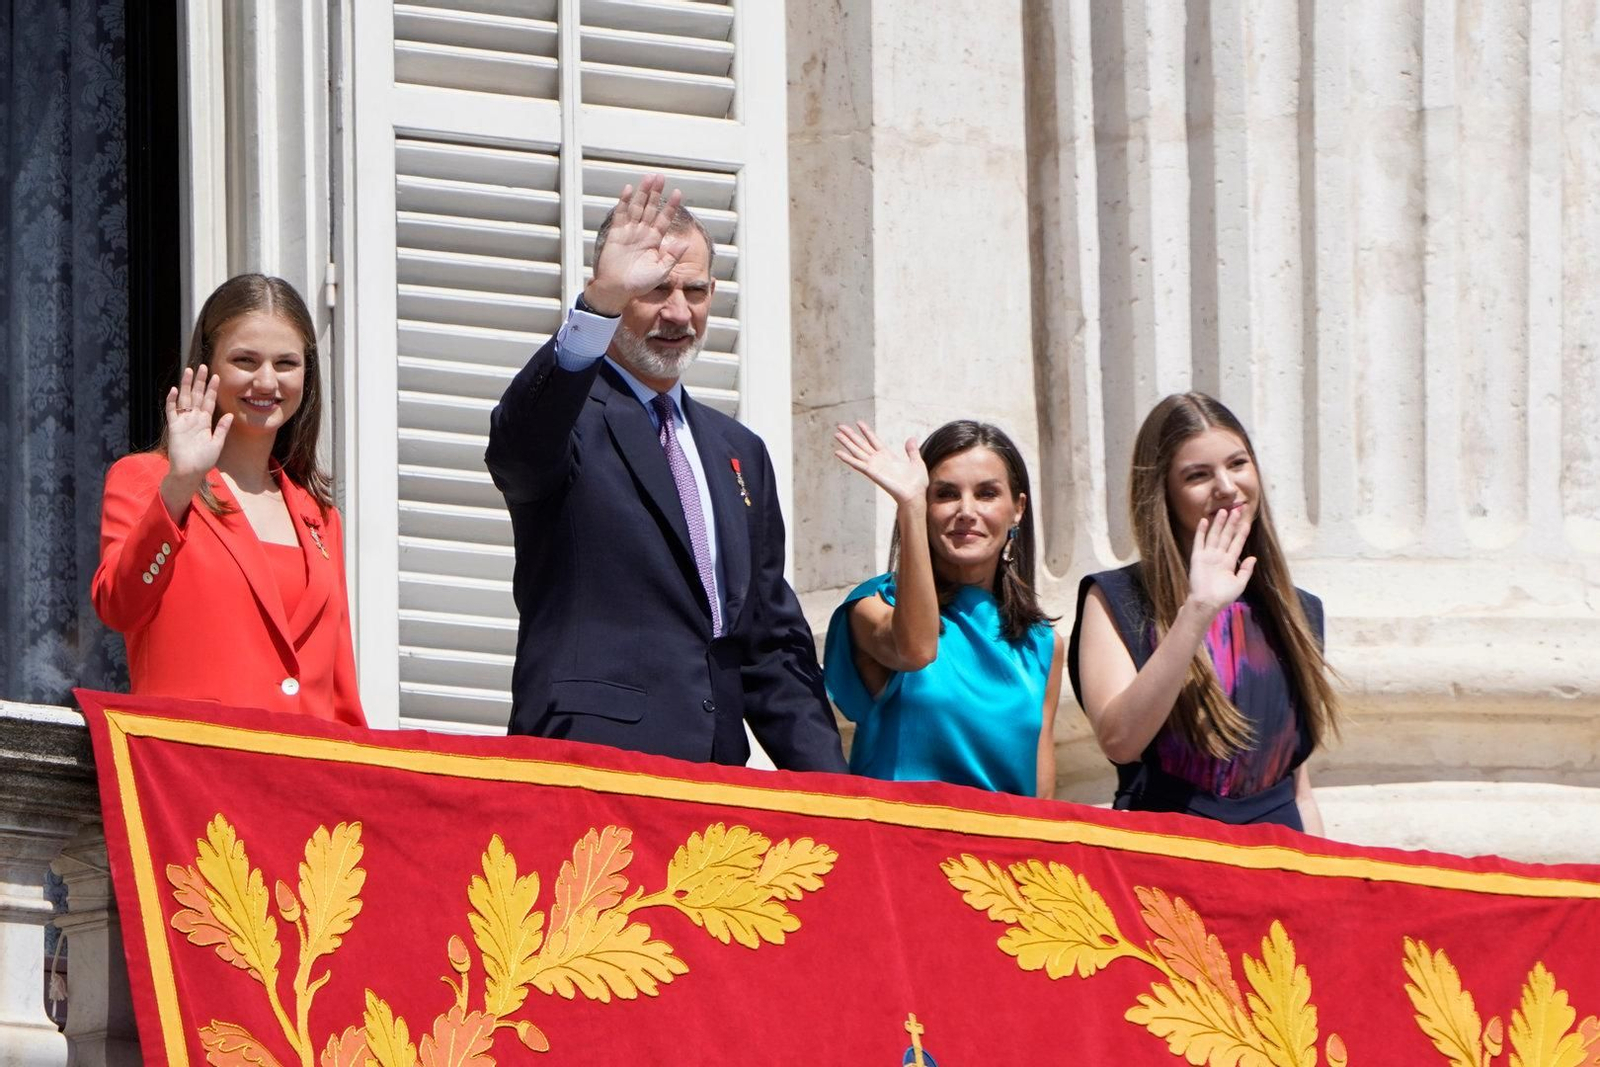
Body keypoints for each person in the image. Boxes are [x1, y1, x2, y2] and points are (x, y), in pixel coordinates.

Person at [485, 173, 847, 771]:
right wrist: (595, 309)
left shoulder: (739, 452)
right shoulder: (570, 415)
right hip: (587, 770)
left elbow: (769, 644)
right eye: (655, 290)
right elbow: (517, 452)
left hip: (711, 782)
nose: (678, 313)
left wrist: (835, 799)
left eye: (696, 291)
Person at [92, 274, 364, 725]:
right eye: (245, 360)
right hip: (196, 776)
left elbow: (341, 695)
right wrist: (180, 486)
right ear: (208, 365)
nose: (266, 381)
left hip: (301, 781)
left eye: (286, 363)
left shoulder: (319, 517)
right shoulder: (146, 480)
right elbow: (119, 605)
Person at [1067, 393, 1339, 830]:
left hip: (1279, 856)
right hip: (1173, 859)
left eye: (1237, 464)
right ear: (1164, 494)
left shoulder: (1297, 610)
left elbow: (1299, 789)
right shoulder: (1119, 597)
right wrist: (1197, 611)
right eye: (1198, 475)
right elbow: (1119, 741)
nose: (1227, 487)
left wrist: (1320, 877)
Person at [823, 420, 1063, 797]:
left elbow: (1043, 798)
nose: (966, 510)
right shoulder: (873, 605)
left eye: (986, 494)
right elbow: (916, 649)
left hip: (1001, 851)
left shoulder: (1043, 644)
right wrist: (910, 507)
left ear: (1017, 509)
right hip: (901, 846)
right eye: (946, 494)